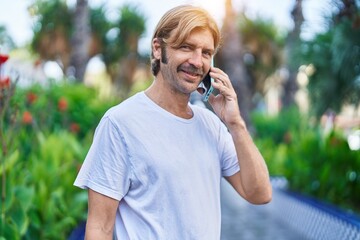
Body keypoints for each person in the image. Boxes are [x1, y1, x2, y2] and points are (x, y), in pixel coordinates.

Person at [74, 4, 272, 240]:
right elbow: (100, 228)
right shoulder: (119, 123)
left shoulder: (212, 125)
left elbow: (260, 193)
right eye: (186, 47)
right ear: (158, 49)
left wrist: (236, 123)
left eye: (206, 52)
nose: (197, 61)